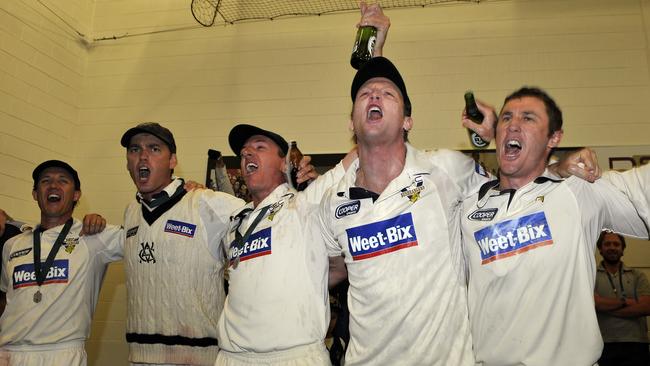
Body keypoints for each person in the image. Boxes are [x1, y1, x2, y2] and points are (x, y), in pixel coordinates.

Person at [319, 54, 495, 364]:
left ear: (407, 121)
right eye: (364, 94)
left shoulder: (447, 170)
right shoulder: (334, 200)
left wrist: (500, 138)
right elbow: (332, 269)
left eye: (388, 93)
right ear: (351, 121)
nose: (374, 95)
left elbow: (513, 194)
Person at [460, 87, 650, 365]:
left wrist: (553, 170)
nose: (513, 124)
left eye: (528, 118)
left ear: (554, 138)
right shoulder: (468, 205)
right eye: (506, 118)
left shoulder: (580, 190)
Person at [215, 124, 354, 365]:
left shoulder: (306, 202)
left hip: (292, 356)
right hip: (232, 357)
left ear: (284, 163)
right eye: (244, 152)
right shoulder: (236, 221)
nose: (247, 153)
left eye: (259, 147)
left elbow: (356, 156)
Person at [120, 122, 245, 365]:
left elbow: (265, 218)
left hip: (199, 357)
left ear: (172, 161)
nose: (142, 156)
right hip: (139, 356)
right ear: (127, 162)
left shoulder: (206, 203)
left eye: (154, 149)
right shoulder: (131, 212)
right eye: (134, 150)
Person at [0, 160, 123, 366]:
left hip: (62, 354)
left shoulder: (92, 235)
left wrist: (183, 197)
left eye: (63, 181)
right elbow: (6, 300)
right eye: (45, 181)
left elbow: (145, 234)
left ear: (76, 195)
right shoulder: (12, 244)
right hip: (9, 353)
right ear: (35, 194)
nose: (53, 185)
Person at [595, 230, 650, 366]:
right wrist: (626, 302)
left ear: (622, 249)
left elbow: (646, 306)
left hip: (636, 342)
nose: (612, 247)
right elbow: (594, 304)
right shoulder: (591, 275)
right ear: (600, 249)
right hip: (602, 343)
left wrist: (605, 307)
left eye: (616, 244)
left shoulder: (638, 275)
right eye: (607, 244)